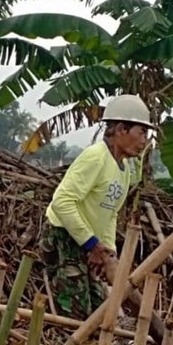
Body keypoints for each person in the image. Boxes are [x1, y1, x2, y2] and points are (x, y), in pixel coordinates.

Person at [44, 93, 151, 317]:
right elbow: (62, 202)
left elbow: (110, 214)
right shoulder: (96, 157)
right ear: (121, 129)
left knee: (100, 310)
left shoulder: (123, 170)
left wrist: (108, 253)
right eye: (141, 132)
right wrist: (92, 244)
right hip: (64, 238)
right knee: (76, 312)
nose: (145, 141)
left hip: (88, 243)